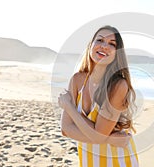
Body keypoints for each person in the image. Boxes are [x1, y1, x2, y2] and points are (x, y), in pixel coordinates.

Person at [58, 25, 139, 166]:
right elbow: (65, 129)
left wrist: (69, 107)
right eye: (100, 40)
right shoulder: (77, 80)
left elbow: (98, 135)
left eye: (112, 44)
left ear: (117, 53)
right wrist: (109, 139)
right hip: (89, 161)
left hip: (117, 161)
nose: (104, 46)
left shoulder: (118, 86)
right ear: (91, 45)